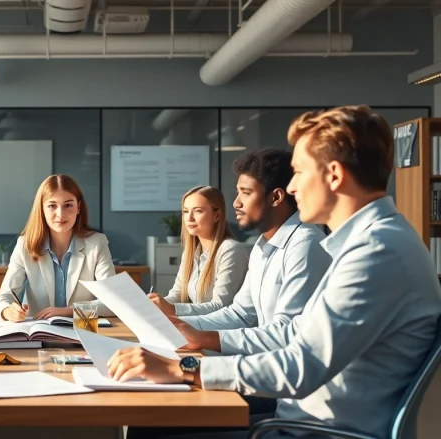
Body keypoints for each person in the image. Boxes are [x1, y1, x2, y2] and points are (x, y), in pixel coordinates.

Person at [108, 105, 441, 439]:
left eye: (299, 172)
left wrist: (183, 368)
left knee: (149, 430)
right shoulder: (371, 241)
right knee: (151, 422)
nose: (292, 188)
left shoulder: (375, 252)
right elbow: (295, 332)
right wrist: (201, 338)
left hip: (313, 430)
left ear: (335, 175)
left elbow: (299, 366)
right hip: (299, 418)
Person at [174, 148, 331, 358]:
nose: (236, 203)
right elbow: (240, 314)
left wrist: (206, 338)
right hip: (267, 366)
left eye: (246, 193)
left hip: (288, 379)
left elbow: (287, 332)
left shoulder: (306, 245)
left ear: (276, 197)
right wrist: (176, 324)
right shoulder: (261, 245)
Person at [0, 174, 116, 322]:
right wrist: (8, 311)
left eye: (68, 205)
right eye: (52, 206)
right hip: (40, 334)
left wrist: (68, 311)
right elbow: (3, 298)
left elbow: (113, 302)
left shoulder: (97, 243)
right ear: (42, 210)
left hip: (82, 330)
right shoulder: (25, 245)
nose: (60, 214)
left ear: (78, 208)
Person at [149, 186, 249, 317]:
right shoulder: (191, 252)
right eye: (185, 211)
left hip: (222, 333)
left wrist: (172, 309)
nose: (189, 218)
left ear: (217, 215)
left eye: (198, 211)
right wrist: (157, 304)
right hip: (199, 328)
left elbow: (221, 306)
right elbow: (178, 294)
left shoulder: (230, 250)